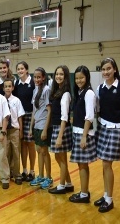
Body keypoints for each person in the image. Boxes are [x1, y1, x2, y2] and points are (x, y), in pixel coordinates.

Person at [94, 57, 120, 212]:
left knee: (106, 164)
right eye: (103, 69)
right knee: (105, 164)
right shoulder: (100, 88)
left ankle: (109, 200)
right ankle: (105, 195)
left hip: (116, 129)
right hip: (103, 128)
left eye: (109, 68)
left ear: (114, 69)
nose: (106, 72)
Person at [69, 65, 97, 203]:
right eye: (77, 78)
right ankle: (84, 192)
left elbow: (90, 117)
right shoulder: (80, 92)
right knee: (81, 165)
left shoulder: (89, 93)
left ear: (87, 78)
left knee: (83, 165)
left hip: (83, 133)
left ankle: (84, 194)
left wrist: (84, 137)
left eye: (82, 78)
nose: (79, 80)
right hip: (77, 132)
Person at [48, 65, 74, 194]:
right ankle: (69, 184)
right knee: (59, 157)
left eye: (61, 74)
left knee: (62, 158)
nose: (58, 76)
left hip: (62, 128)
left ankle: (62, 186)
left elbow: (64, 117)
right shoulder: (56, 91)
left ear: (66, 77)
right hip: (56, 127)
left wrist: (60, 136)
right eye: (57, 74)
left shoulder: (65, 94)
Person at [28, 67, 53, 190]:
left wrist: (45, 129)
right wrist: (31, 127)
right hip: (36, 125)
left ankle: (49, 177)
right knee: (38, 150)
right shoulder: (35, 90)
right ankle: (41, 175)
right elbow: (34, 110)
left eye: (39, 77)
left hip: (44, 126)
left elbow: (49, 111)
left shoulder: (47, 90)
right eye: (35, 77)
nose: (37, 79)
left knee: (44, 151)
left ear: (43, 77)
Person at [13, 61, 36, 182]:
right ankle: (24, 170)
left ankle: (32, 170)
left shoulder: (32, 83)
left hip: (31, 116)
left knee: (30, 144)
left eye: (22, 69)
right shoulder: (16, 84)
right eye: (18, 69)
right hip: (19, 117)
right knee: (22, 144)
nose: (20, 71)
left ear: (27, 70)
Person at [3, 78, 25, 185]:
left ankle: (17, 174)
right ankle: (7, 174)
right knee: (6, 153)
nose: (8, 88)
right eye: (6, 86)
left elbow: (20, 117)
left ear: (12, 88)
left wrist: (20, 130)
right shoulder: (1, 100)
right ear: (3, 88)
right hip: (4, 131)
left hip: (15, 129)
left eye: (9, 86)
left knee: (16, 153)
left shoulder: (16, 100)